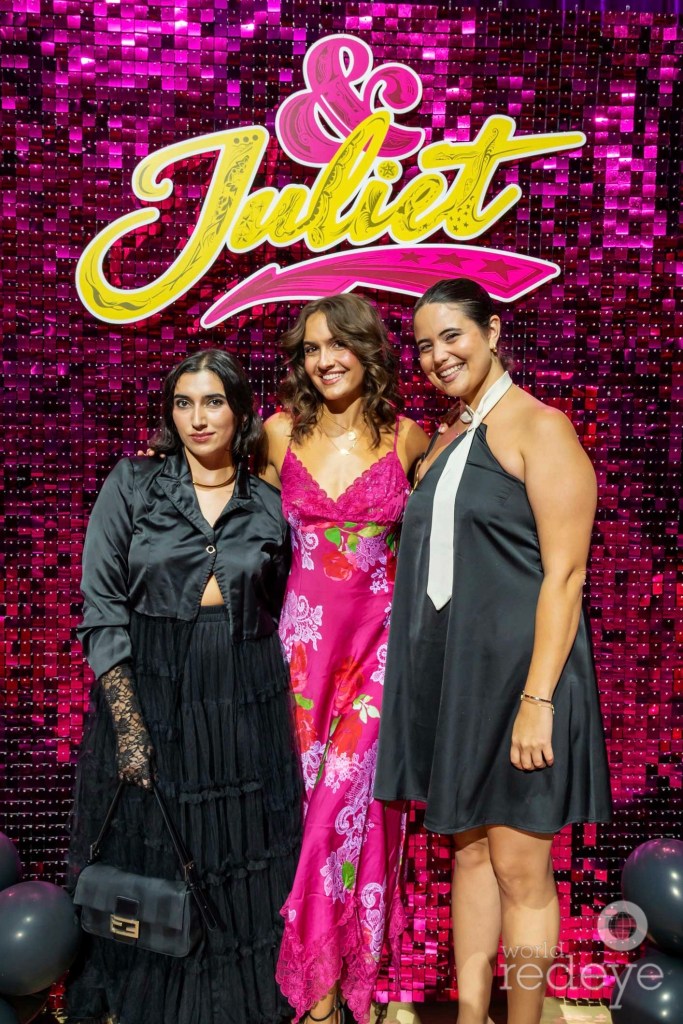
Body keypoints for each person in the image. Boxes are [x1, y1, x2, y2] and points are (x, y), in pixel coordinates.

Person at [374, 279, 612, 1024]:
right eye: (424, 345)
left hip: (521, 681)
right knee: (469, 854)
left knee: (520, 870)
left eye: (452, 336)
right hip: (457, 683)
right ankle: (472, 1016)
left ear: (492, 331)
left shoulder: (540, 427)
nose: (437, 356)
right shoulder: (444, 437)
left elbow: (565, 576)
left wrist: (537, 701)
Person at [67, 349, 302, 1024]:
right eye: (183, 403)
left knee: (236, 851)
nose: (198, 418)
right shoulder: (133, 483)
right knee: (156, 851)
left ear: (239, 411)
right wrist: (127, 724)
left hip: (244, 690)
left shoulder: (268, 502)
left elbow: (286, 605)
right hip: (152, 684)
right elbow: (101, 605)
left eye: (213, 402)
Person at [262, 294, 429, 1024]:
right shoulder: (277, 434)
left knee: (345, 808)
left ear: (368, 351)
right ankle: (321, 985)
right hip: (299, 659)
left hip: (378, 658)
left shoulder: (408, 438)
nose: (324, 360)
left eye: (338, 345)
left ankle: (326, 995)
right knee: (307, 815)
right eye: (311, 349)